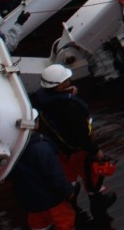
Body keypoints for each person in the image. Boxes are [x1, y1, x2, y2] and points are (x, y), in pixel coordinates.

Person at [32, 63, 117, 217]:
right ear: (58, 87)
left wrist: (67, 95)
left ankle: (69, 196)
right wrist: (95, 150)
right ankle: (97, 203)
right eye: (66, 80)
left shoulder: (42, 99)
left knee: (67, 174)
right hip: (77, 150)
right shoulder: (70, 107)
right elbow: (81, 134)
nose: (70, 81)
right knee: (91, 175)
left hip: (59, 149)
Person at [9, 115, 79, 230]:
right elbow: (55, 175)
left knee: (39, 225)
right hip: (52, 200)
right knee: (63, 221)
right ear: (35, 123)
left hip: (30, 202)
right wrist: (68, 191)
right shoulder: (42, 148)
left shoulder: (11, 148)